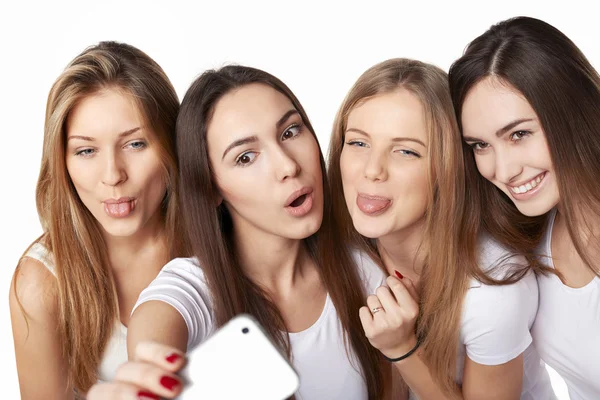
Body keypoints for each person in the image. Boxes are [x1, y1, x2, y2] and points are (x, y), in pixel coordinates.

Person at [88, 65, 393, 400]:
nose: (288, 166)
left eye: (290, 132)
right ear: (212, 188)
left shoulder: (364, 273)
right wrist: (150, 375)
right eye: (246, 157)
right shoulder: (193, 287)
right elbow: (157, 326)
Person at [328, 58, 555, 399]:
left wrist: (402, 348)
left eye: (406, 151)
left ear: (446, 168)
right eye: (359, 143)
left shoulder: (492, 288)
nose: (372, 170)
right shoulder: (350, 251)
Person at [9, 41, 187, 399]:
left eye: (135, 144)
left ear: (171, 144)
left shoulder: (217, 235)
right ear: (62, 161)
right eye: (86, 150)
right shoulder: (42, 282)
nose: (112, 175)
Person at [449, 16, 600, 400]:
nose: (503, 170)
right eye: (480, 145)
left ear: (571, 110)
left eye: (519, 134)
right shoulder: (530, 237)